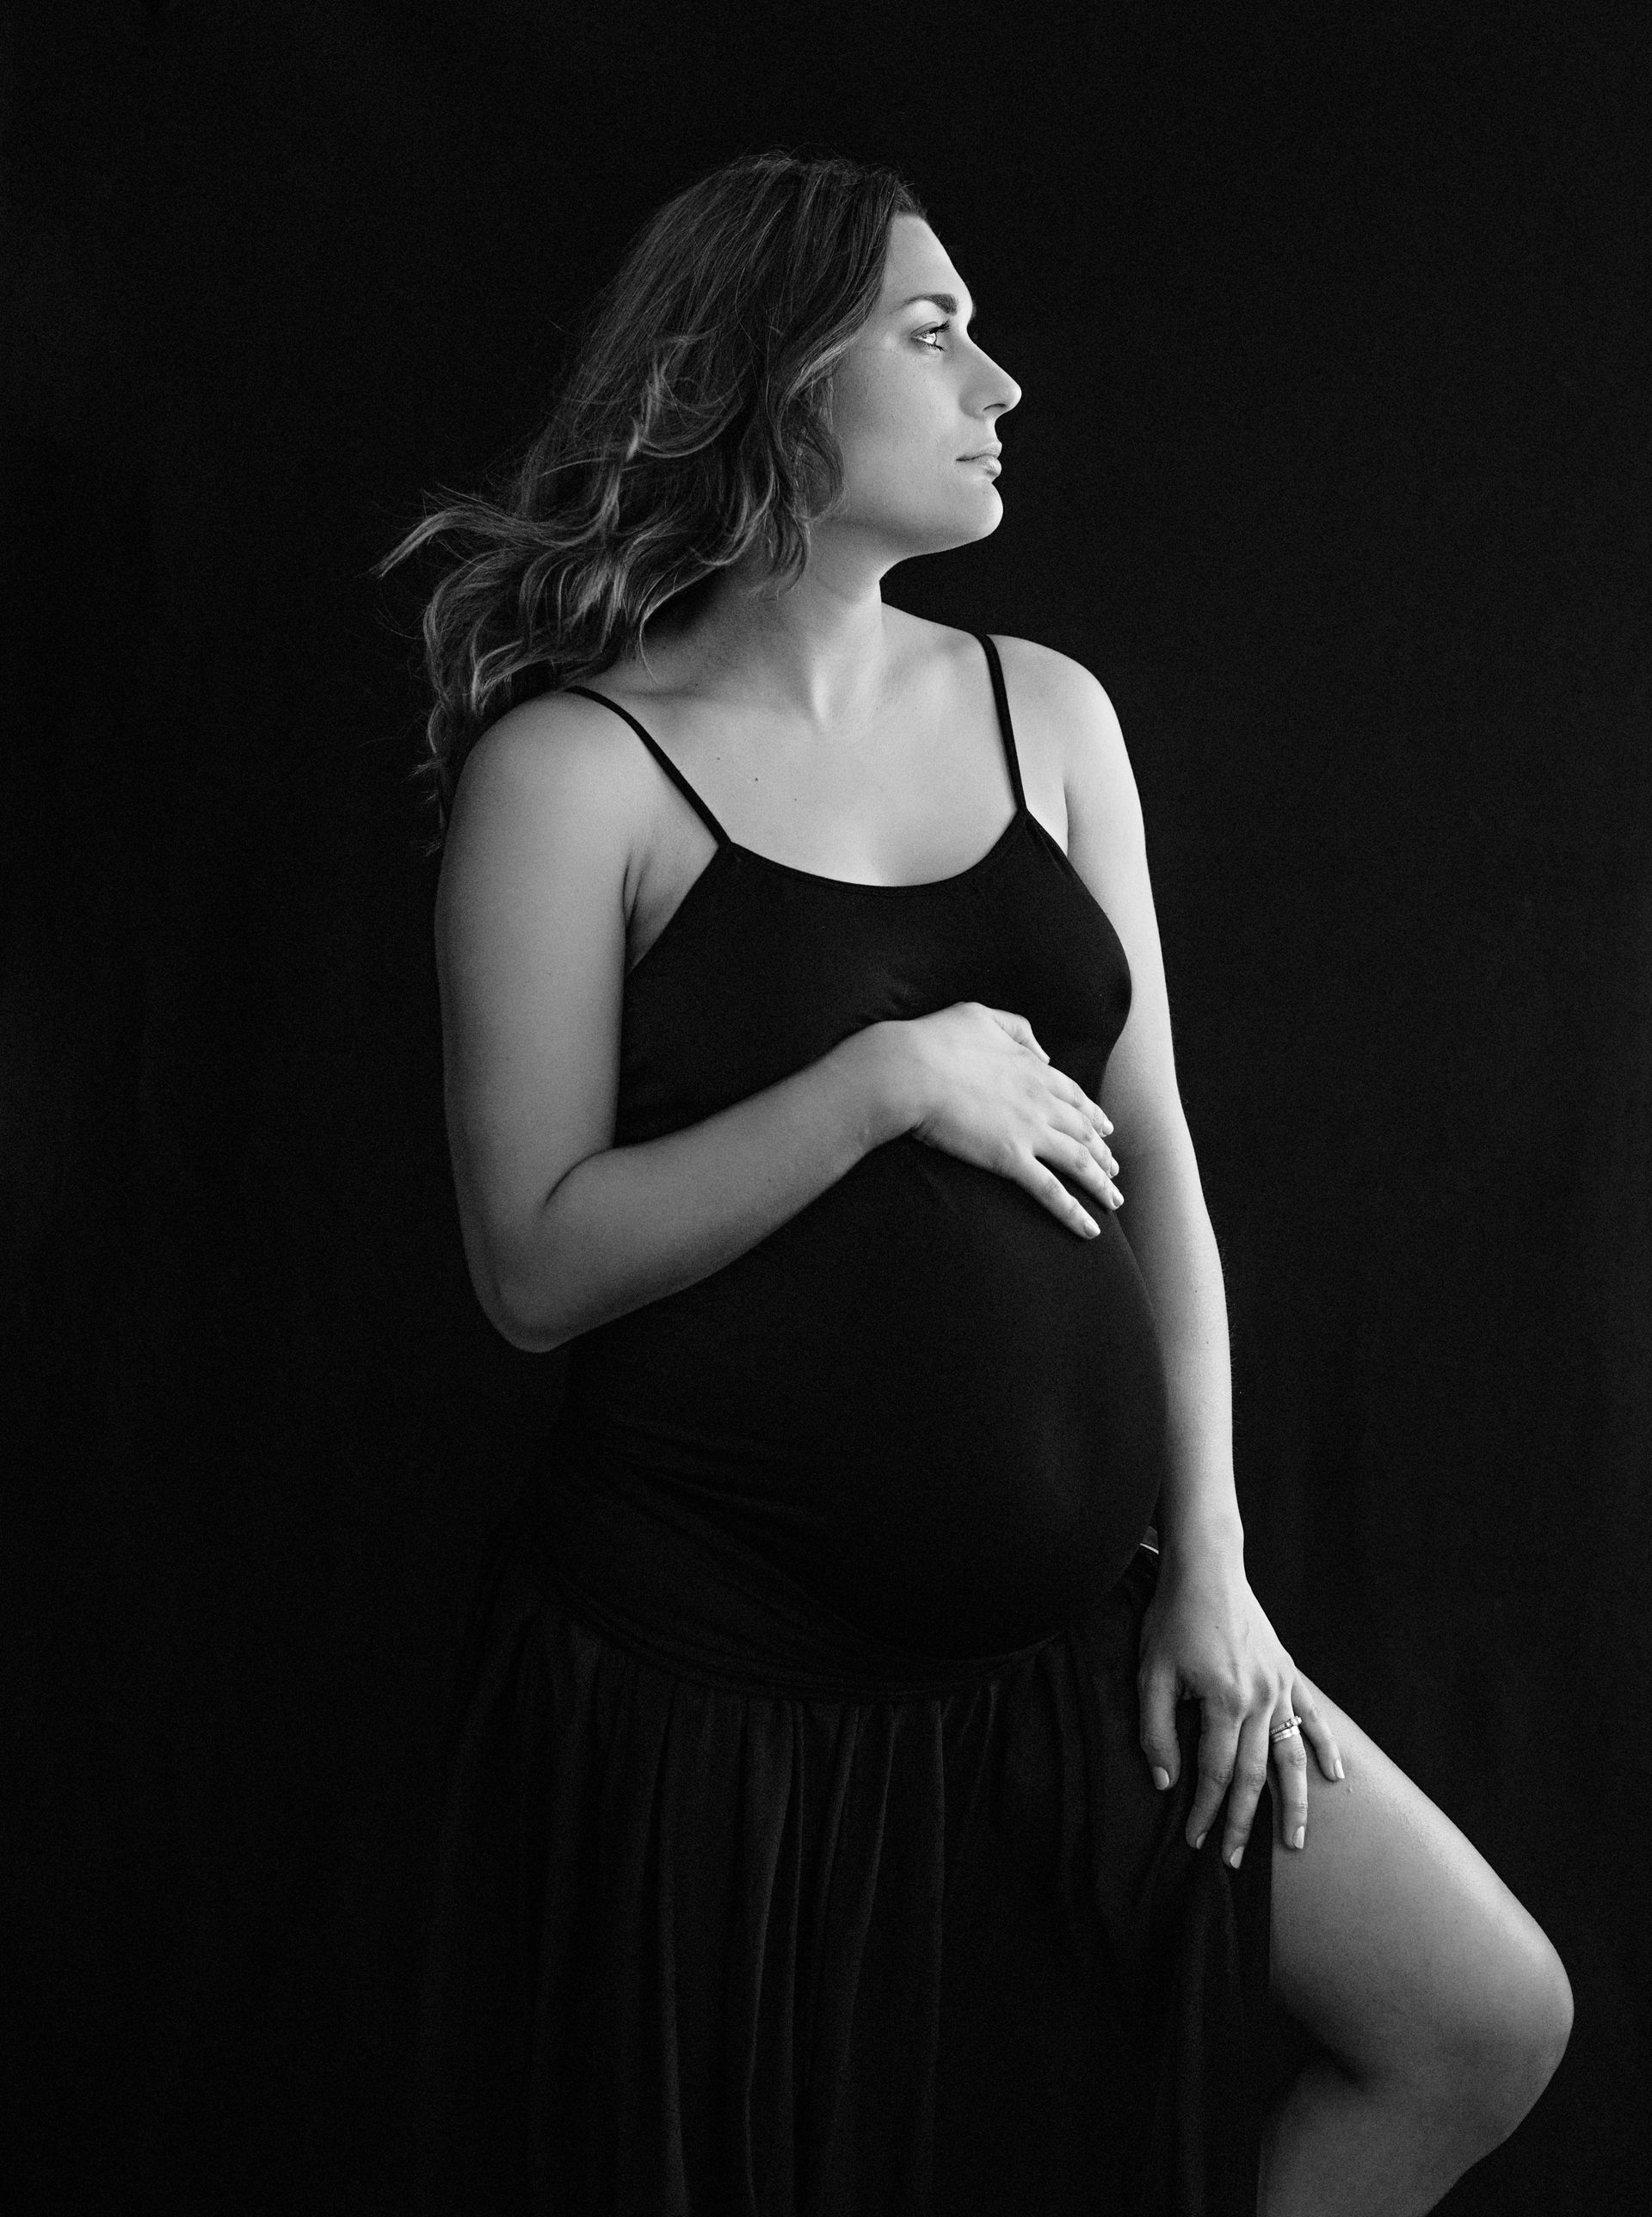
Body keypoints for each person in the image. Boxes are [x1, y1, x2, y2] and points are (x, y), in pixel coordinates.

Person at [379, 151, 1572, 2217]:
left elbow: (1163, 1159)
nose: (1002, 380)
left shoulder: (1051, 713)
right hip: (715, 1705)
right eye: (934, 333)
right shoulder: (572, 775)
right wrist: (876, 1083)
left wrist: (1209, 1561)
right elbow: (534, 1264)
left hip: (1064, 1662)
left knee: (1480, 2018)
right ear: (767, 379)